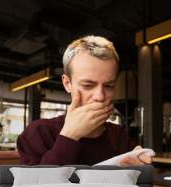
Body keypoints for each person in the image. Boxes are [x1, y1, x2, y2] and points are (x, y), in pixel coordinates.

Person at [16, 35, 153, 166]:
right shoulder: (38, 133)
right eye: (88, 85)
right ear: (67, 83)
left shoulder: (119, 136)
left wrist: (137, 172)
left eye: (109, 86)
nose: (100, 96)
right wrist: (69, 136)